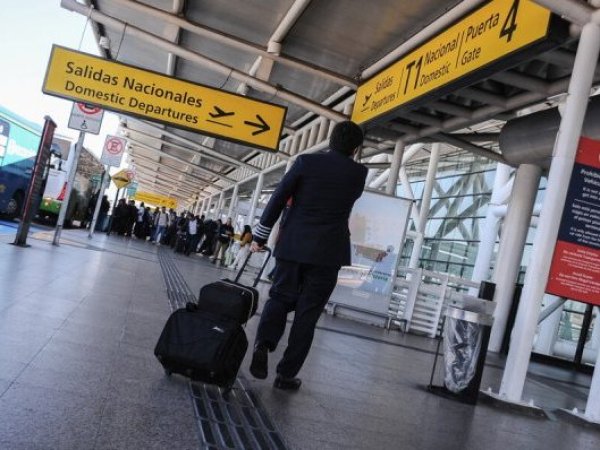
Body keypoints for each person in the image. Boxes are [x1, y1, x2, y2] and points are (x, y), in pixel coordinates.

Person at [249, 121, 367, 391]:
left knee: (280, 297)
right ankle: (286, 374)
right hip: (329, 252)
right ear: (356, 148)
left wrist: (260, 236)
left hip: (293, 245)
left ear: (330, 139)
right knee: (308, 313)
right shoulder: (359, 173)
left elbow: (278, 198)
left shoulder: (305, 162)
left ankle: (263, 344)